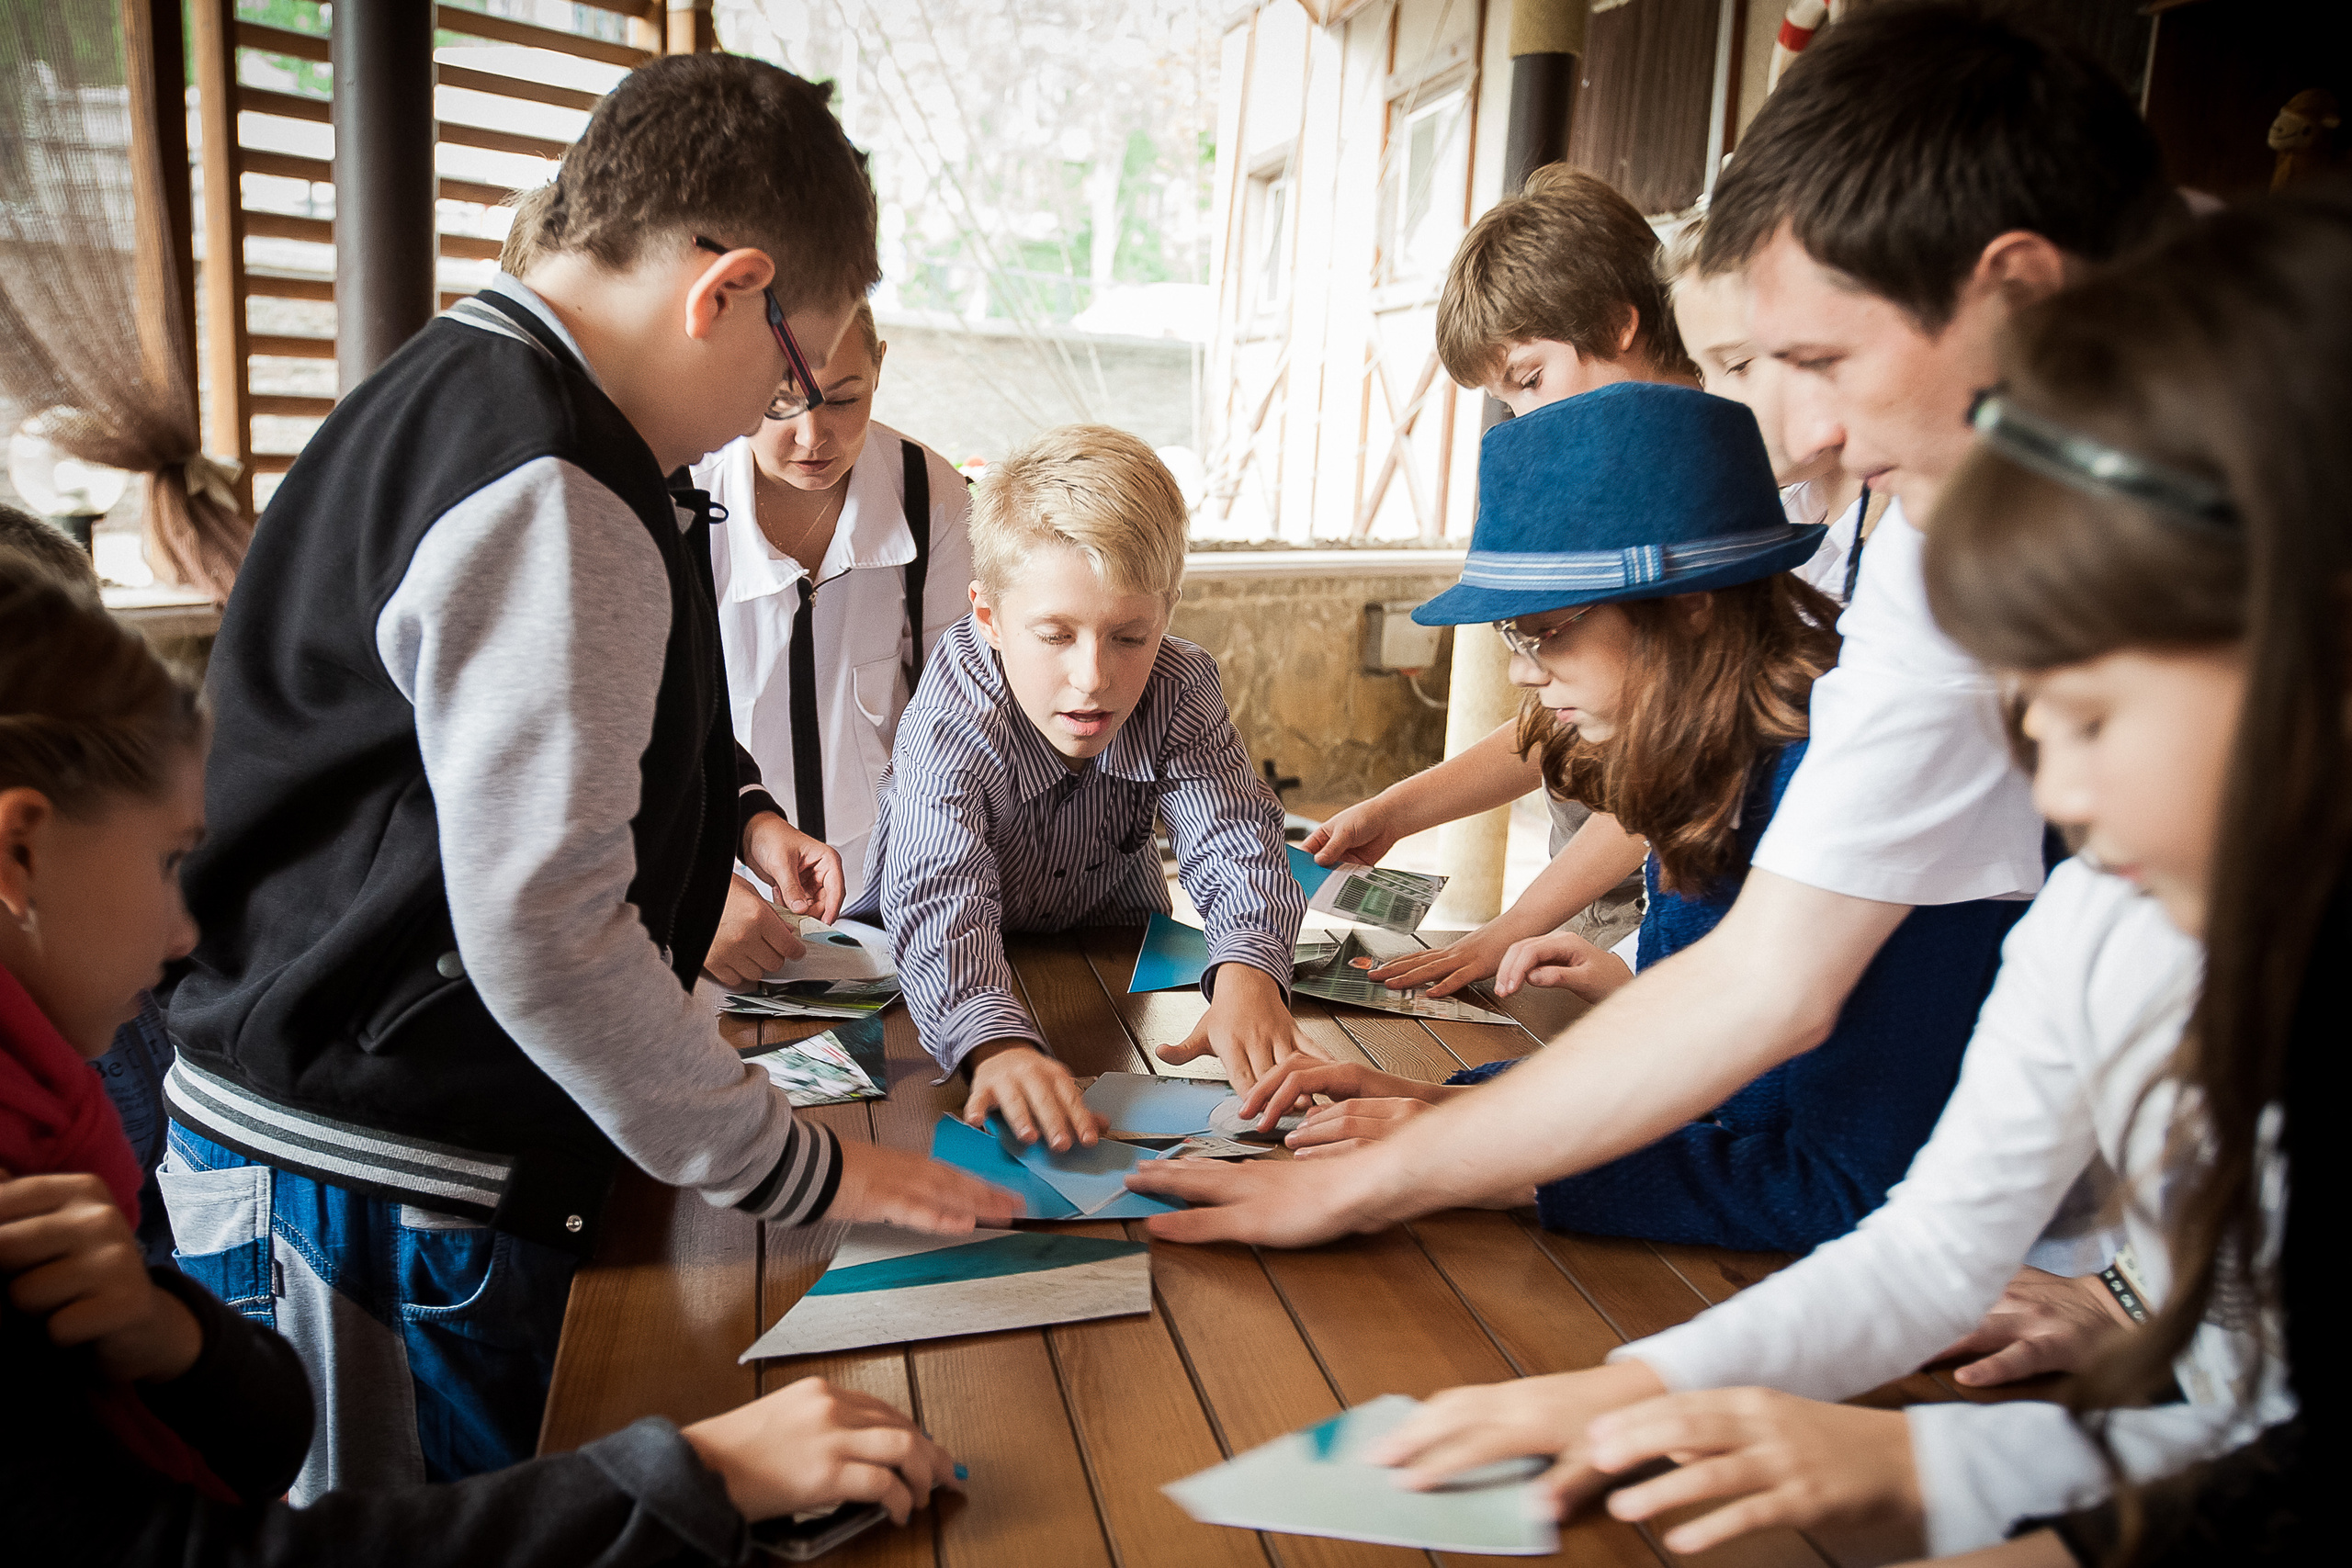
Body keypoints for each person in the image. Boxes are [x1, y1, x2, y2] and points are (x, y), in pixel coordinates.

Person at [1361, 184, 2352, 1566]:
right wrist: (1631, 1391)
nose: (2052, 799)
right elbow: (1937, 1249)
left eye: (2096, 717)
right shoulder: (2104, 918)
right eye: (2030, 723)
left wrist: (1922, 1461)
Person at [1131, 3, 2180, 1300]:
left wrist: (1434, 1154)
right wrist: (1458, 1116)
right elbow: (1750, 1004)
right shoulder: (1914, 556)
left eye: (1812, 361)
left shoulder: (1982, 589)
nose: (1799, 443)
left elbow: (1810, 1081)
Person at [158, 54, 1017, 1501]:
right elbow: (543, 923)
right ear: (728, 289)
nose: (773, 415)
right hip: (379, 1185)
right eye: (786, 373)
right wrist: (803, 1169)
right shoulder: (555, 480)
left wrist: (728, 817)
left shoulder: (454, 394)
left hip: (335, 1140)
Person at [0, 556, 964, 1565]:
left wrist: (171, 1341)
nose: (180, 929)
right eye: (166, 861)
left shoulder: (54, 1150)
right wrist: (690, 1479)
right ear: (20, 852)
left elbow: (272, 1441)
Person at [1254, 381, 2022, 1253]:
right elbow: (1704, 1091)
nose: (1523, 675)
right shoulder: (1712, 768)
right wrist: (1451, 1108)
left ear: (1691, 606)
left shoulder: (1859, 787)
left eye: (1545, 630)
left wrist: (1482, 1163)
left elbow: (1843, 1185)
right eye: (1514, 637)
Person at [842, 424, 1309, 1142]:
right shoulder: (952, 715)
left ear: (1167, 614)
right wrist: (991, 1042)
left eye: (1130, 636)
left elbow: (1234, 835)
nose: (1093, 678)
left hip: (1114, 963)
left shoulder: (1183, 687)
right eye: (1056, 635)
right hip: (930, 995)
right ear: (990, 618)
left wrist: (1250, 962)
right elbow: (937, 891)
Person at [1314, 164, 1689, 1000]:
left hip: (1657, 913)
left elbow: (1677, 766)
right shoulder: (1604, 470)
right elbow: (1550, 725)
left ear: (1621, 325)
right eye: (1506, 398)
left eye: (1529, 378)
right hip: (1592, 902)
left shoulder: (1700, 505)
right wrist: (1396, 812)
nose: (1526, 418)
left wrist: (1511, 928)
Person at [689, 299, 976, 987]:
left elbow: (963, 723)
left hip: (898, 896)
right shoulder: (684, 496)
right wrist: (689, 895)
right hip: (719, 900)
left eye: (845, 400)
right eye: (778, 404)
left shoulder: (930, 494)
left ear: (880, 367)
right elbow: (641, 734)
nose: (813, 436)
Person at [1659, 214, 1889, 605]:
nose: (1711, 400)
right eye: (1700, 372)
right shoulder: (1769, 519)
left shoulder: (1910, 543)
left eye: (1736, 365)